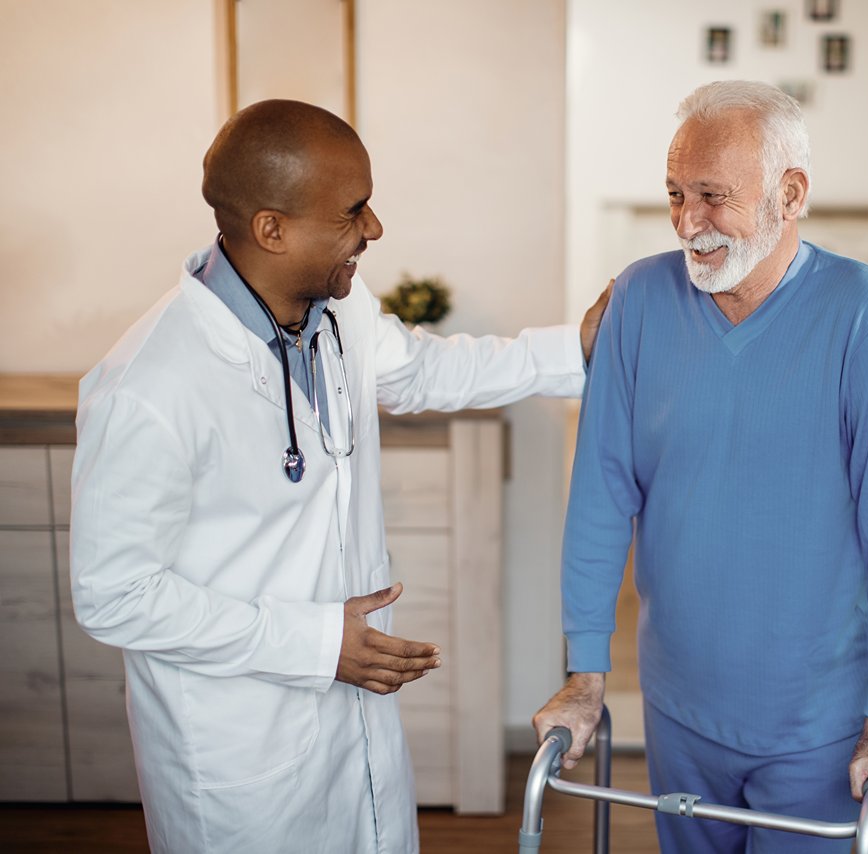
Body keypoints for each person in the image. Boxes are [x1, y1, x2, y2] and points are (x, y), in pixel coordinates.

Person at [70, 99, 608, 854]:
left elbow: (429, 372)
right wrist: (318, 644)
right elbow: (114, 594)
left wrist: (575, 348)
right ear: (271, 229)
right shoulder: (149, 385)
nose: (376, 229)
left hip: (351, 726)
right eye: (353, 211)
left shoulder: (335, 316)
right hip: (239, 753)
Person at [534, 80, 868, 853]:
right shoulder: (637, 301)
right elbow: (599, 493)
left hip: (819, 720)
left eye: (714, 197)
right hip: (678, 706)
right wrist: (586, 671)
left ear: (790, 195)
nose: (691, 222)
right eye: (676, 194)